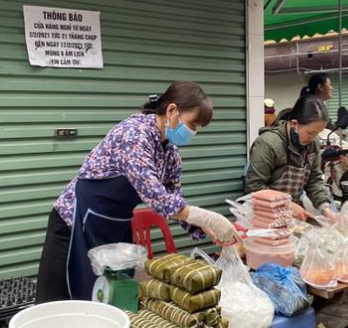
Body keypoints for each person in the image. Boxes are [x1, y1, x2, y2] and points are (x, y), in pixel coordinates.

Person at [36, 81, 237, 303]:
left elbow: (174, 196)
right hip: (73, 223)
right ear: (172, 111)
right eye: (193, 124)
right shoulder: (133, 134)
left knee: (111, 298)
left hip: (113, 226)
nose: (193, 132)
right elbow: (154, 194)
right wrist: (209, 217)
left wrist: (203, 227)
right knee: (59, 301)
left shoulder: (170, 151)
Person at [246, 95, 337, 221]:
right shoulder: (268, 144)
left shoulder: (312, 144)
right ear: (294, 124)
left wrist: (326, 209)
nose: (314, 137)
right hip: (265, 215)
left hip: (292, 214)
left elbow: (314, 180)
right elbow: (255, 186)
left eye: (318, 133)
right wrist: (286, 204)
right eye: (310, 132)